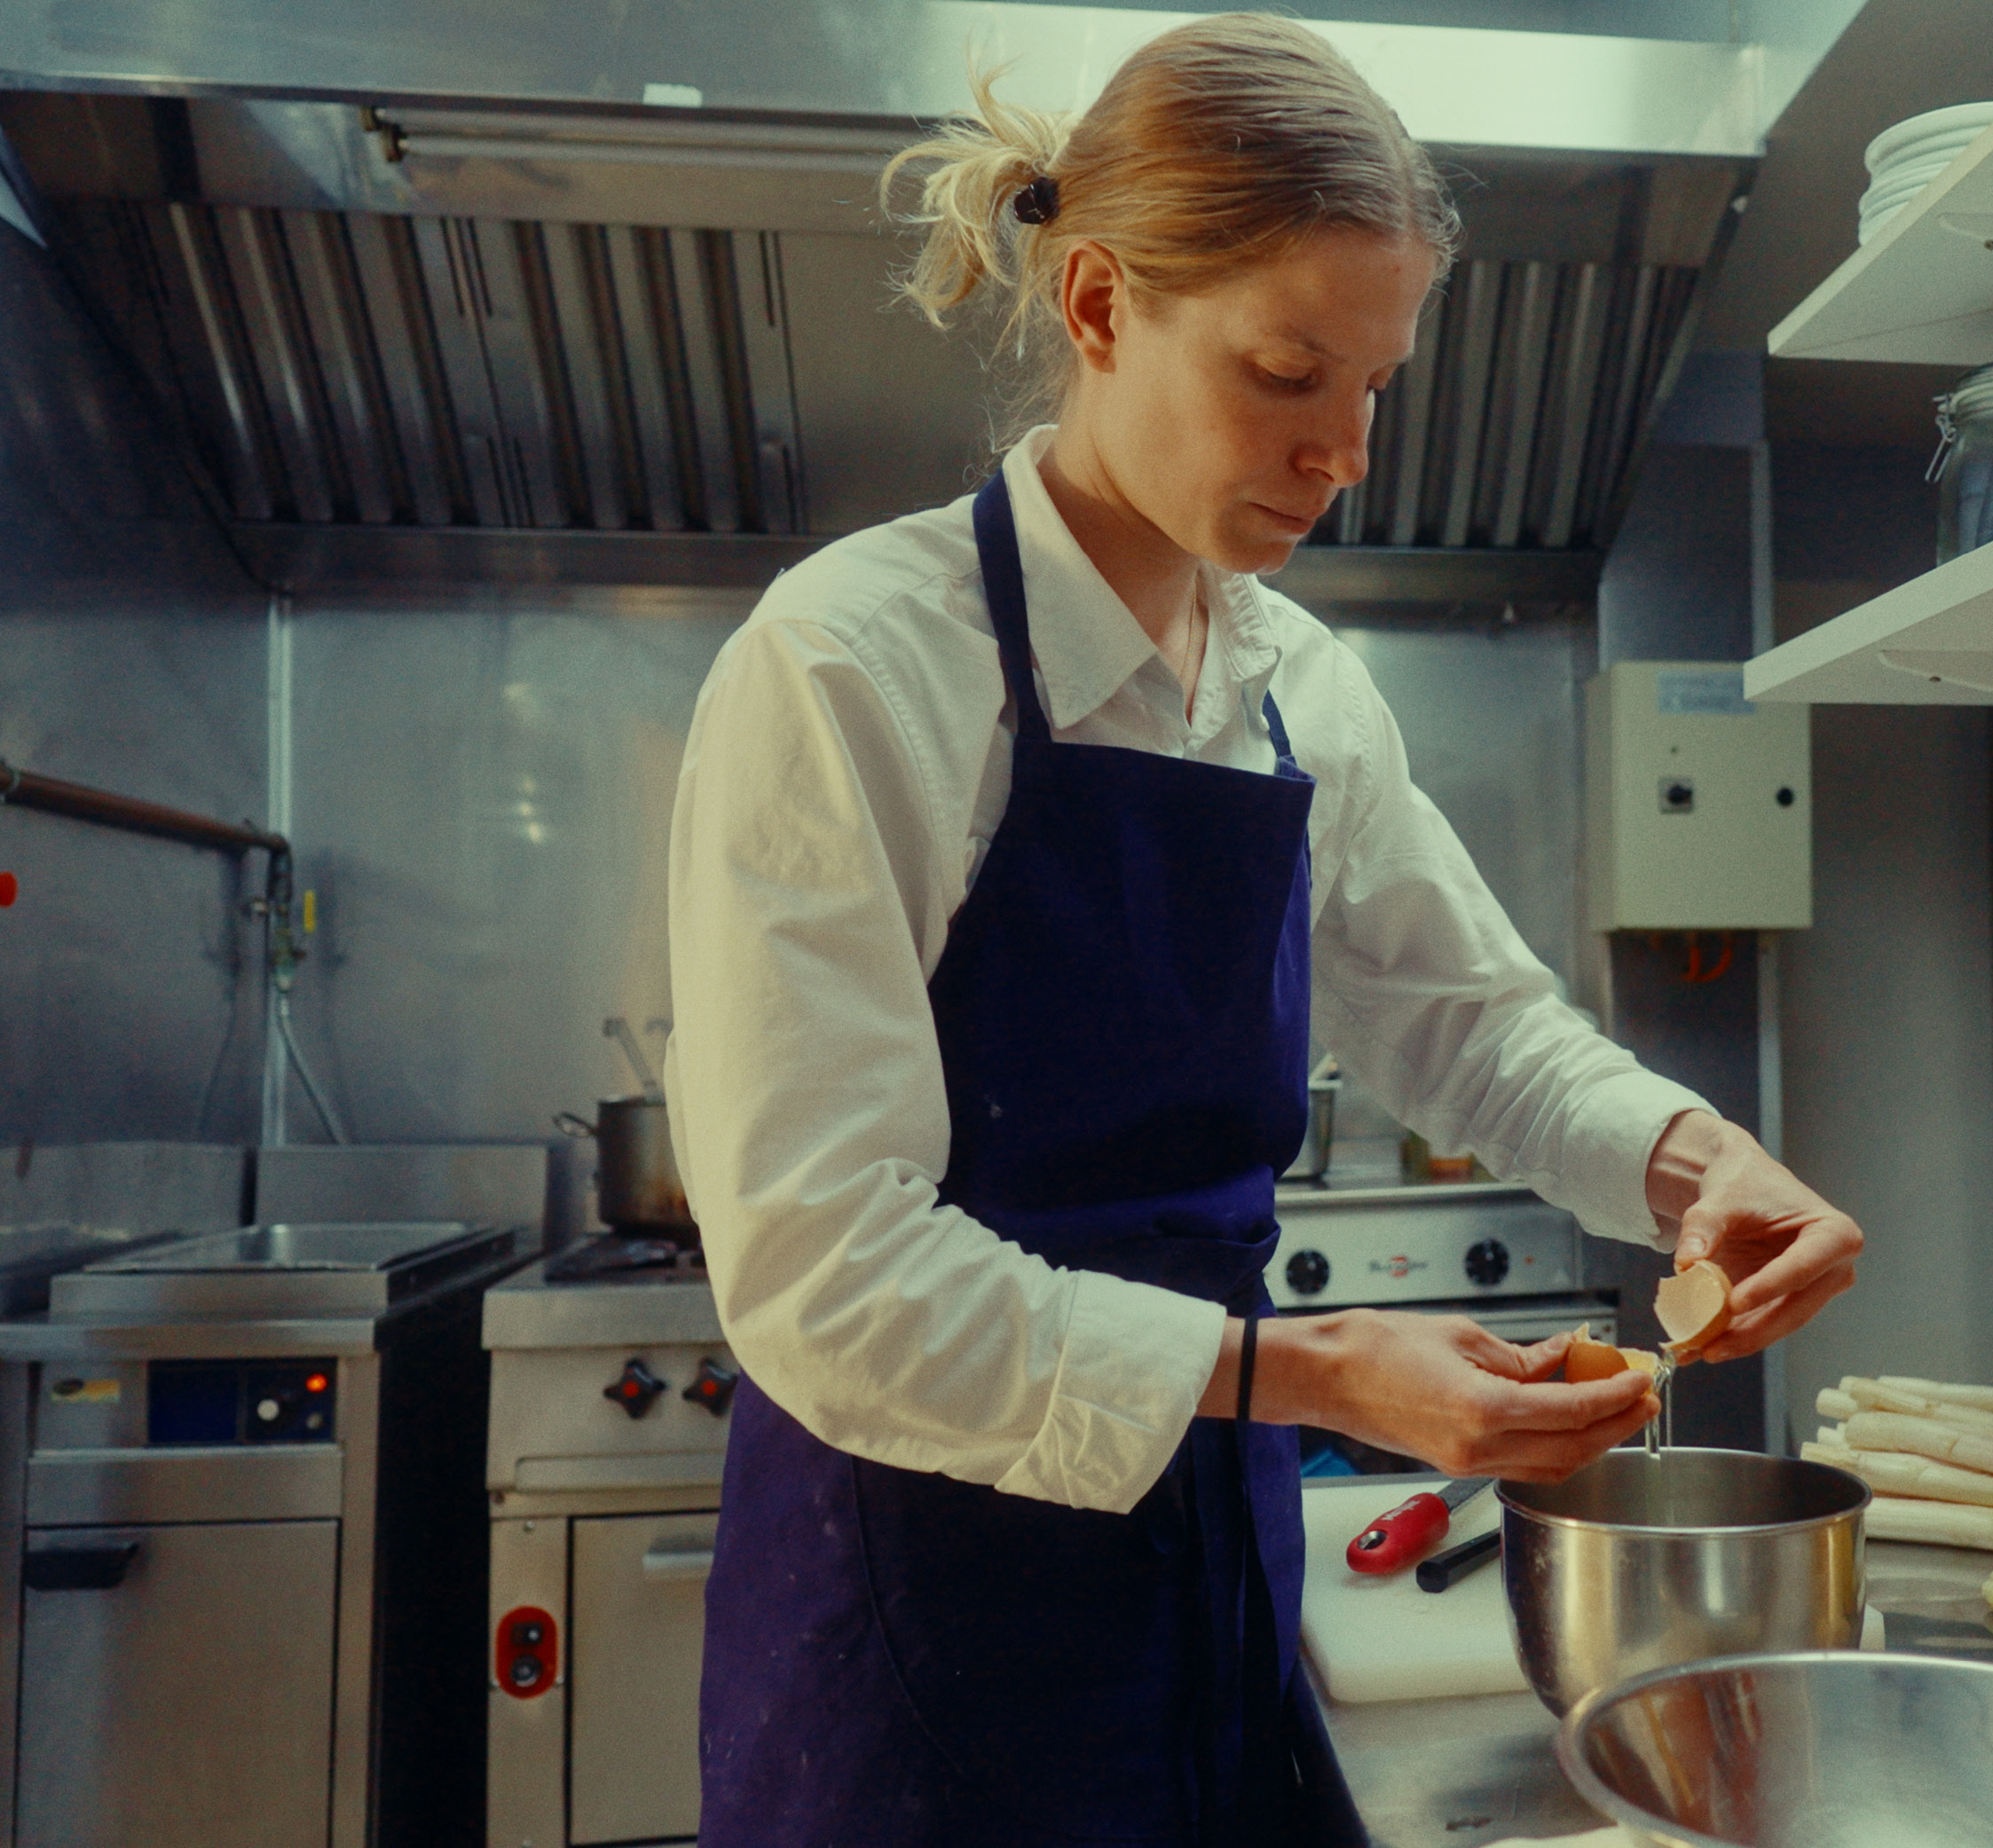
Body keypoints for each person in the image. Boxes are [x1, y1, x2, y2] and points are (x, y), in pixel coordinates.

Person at [666, 15, 1865, 1844]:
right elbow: (822, 1273)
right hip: (920, 1602)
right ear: (1094, 307)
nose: (1345, 451)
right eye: (1288, 371)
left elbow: (1472, 1022)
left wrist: (1698, 1164)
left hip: (1212, 1561)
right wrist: (1307, 1374)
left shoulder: (1299, 682)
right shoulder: (849, 666)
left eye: (1375, 383)